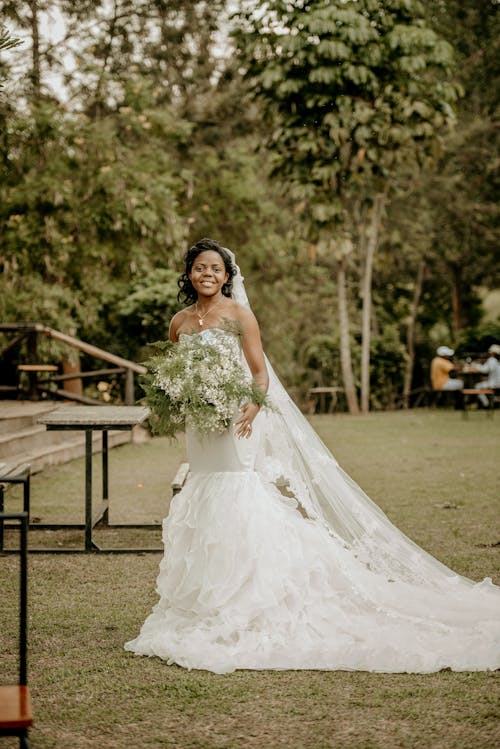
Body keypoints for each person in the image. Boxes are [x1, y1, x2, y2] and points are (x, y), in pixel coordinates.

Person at [125, 239, 500, 674]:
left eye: (215, 268)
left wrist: (251, 405)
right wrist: (178, 401)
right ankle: (202, 599)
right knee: (205, 489)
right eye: (199, 267)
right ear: (189, 273)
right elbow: (174, 373)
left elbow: (260, 374)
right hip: (199, 425)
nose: (207, 274)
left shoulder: (240, 315)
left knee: (236, 489)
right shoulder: (180, 322)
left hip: (235, 419)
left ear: (227, 276)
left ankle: (250, 595)